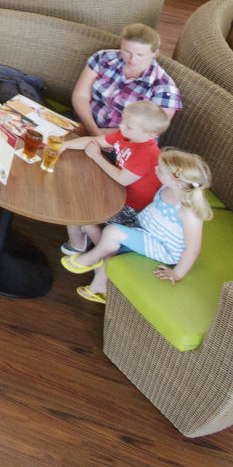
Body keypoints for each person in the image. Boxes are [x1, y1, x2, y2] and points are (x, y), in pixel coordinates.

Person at [58, 100, 173, 303]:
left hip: (135, 208)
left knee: (80, 209)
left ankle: (99, 265)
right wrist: (64, 145)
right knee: (74, 199)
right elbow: (94, 142)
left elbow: (122, 178)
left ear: (150, 135)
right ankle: (84, 245)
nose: (121, 127)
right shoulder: (126, 136)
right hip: (117, 192)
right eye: (123, 122)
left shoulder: (148, 153)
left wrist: (96, 157)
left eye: (129, 126)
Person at [61, 149, 213, 293]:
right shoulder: (167, 187)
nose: (156, 169)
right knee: (95, 221)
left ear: (178, 184)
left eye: (160, 170)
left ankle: (91, 259)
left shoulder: (188, 212)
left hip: (162, 247)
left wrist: (177, 273)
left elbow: (193, 249)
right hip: (143, 228)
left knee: (112, 232)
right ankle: (100, 286)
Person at [73, 23, 182, 136]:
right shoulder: (103, 57)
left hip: (123, 141)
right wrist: (93, 130)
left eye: (140, 55)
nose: (132, 59)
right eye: (127, 51)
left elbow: (150, 130)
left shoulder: (165, 89)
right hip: (84, 122)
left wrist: (98, 136)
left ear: (155, 52)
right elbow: (81, 95)